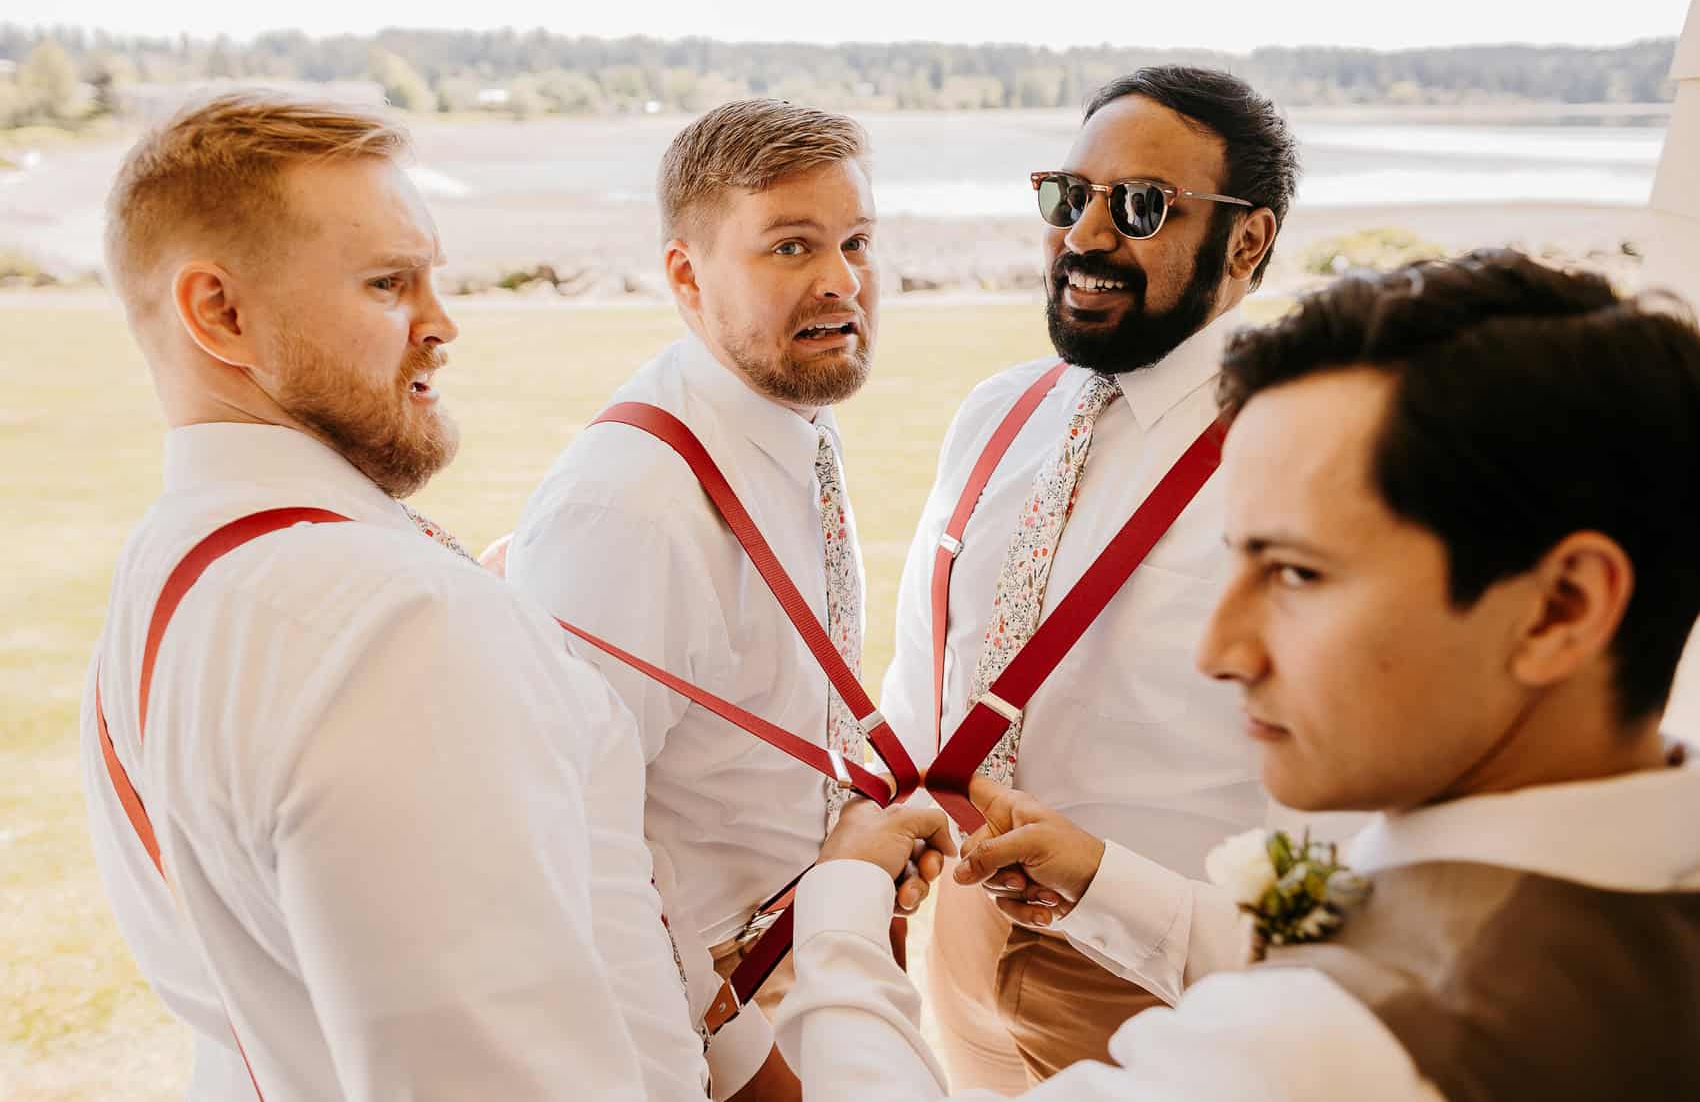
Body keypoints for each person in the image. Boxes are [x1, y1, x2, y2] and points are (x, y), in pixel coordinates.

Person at [785, 249, 1700, 1100]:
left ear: (1561, 607)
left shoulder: (1326, 1047)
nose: (1222, 650)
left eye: (1297, 573)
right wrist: (1107, 883)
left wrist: (842, 909)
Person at [81, 92, 711, 1100]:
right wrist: (459, 635)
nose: (442, 323)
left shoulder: (171, 566)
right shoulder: (398, 623)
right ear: (220, 312)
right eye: (388, 283)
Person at [878, 64, 1295, 1087]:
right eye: (1069, 197)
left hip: (1168, 985)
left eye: (1141, 206)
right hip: (959, 948)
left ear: (1247, 239)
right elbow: (924, 668)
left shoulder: (1298, 456)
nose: (1086, 237)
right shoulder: (996, 412)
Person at [502, 98, 890, 1101]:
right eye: (790, 245)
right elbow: (571, 839)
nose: (842, 280)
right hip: (704, 1016)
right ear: (685, 275)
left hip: (799, 964)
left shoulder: (784, 419)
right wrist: (739, 1057)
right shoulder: (628, 505)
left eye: (855, 241)